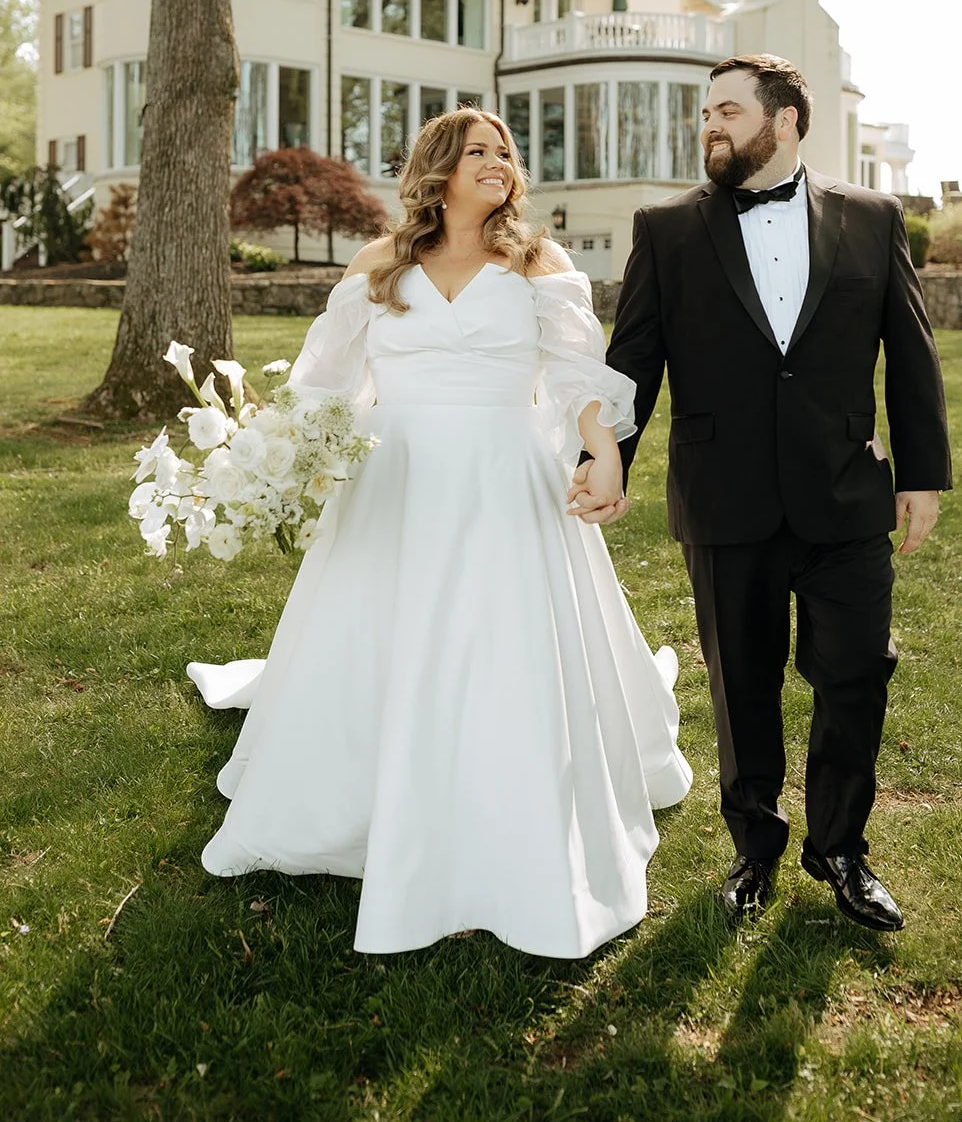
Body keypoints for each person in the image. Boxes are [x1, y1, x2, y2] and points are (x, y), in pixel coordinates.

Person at [187, 109, 692, 958]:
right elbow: (323, 384)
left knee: (503, 644)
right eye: (479, 152)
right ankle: (361, 797)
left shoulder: (539, 262)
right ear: (439, 168)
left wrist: (601, 452)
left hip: (505, 476)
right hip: (397, 479)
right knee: (384, 634)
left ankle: (510, 803)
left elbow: (576, 374)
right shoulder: (378, 267)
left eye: (505, 153)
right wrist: (269, 463)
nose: (499, 164)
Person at [569, 55, 950, 932]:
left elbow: (911, 350)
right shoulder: (664, 229)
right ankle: (754, 848)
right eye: (706, 112)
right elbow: (634, 358)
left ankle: (841, 849)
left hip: (845, 491)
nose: (710, 126)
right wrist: (607, 454)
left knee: (854, 673)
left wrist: (922, 473)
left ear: (782, 123)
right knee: (741, 686)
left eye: (729, 111)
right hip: (724, 495)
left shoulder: (871, 216)